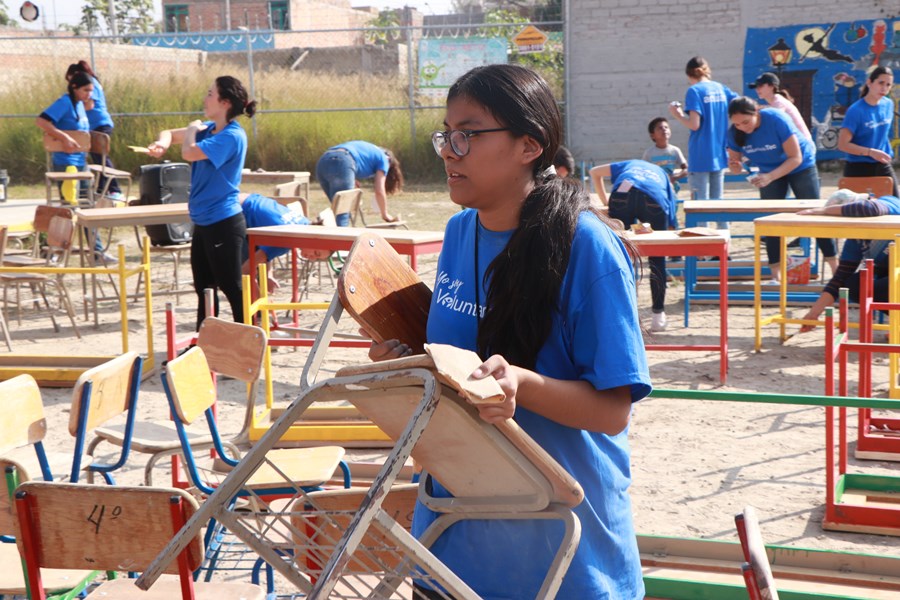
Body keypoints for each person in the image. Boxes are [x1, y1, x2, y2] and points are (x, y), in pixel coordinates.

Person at [370, 64, 651, 598]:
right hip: (450, 541)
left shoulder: (586, 249)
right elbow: (454, 365)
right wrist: (401, 366)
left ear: (529, 145)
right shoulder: (458, 232)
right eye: (445, 135)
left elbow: (613, 411)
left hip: (560, 555)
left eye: (468, 135)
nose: (450, 150)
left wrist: (523, 384)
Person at [147, 75, 256, 329]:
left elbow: (189, 151)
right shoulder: (209, 129)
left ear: (225, 102)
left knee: (231, 287)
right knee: (204, 289)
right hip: (203, 222)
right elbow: (170, 135)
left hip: (224, 223)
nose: (205, 98)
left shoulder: (232, 135)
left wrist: (193, 130)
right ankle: (203, 348)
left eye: (210, 94)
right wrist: (162, 144)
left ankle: (250, 344)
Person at [725, 96, 837, 281]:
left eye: (746, 122)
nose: (743, 127)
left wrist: (770, 177)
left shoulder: (776, 118)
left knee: (816, 214)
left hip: (799, 165)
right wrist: (735, 166)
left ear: (756, 112)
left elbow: (796, 158)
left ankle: (835, 268)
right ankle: (775, 275)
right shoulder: (734, 132)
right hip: (768, 170)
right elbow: (735, 166)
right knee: (770, 220)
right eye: (737, 124)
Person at [591, 159, 678, 332]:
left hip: (623, 192)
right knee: (657, 259)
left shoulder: (628, 165)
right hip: (653, 197)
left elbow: (594, 172)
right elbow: (671, 209)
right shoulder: (662, 176)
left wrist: (606, 202)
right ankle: (658, 316)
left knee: (620, 254)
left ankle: (621, 314)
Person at [797, 189, 900, 333]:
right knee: (854, 284)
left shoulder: (888, 202)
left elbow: (867, 208)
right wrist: (813, 314)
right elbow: (840, 279)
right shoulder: (855, 239)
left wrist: (824, 210)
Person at [36, 71, 110, 261]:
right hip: (66, 164)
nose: (89, 94)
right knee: (68, 208)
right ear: (75, 87)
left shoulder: (80, 105)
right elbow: (42, 121)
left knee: (88, 206)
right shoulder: (64, 102)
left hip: (81, 163)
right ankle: (55, 250)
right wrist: (65, 138)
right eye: (86, 90)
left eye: (92, 91)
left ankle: (97, 252)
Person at [669, 56, 737, 228]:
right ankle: (723, 246)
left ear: (689, 75)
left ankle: (703, 251)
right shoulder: (721, 88)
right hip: (719, 152)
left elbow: (694, 124)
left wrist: (678, 116)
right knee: (718, 203)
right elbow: (739, 104)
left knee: (700, 205)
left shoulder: (694, 91)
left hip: (700, 155)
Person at [65, 60, 123, 200]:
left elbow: (89, 105)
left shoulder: (90, 84)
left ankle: (114, 189)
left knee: (102, 157)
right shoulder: (91, 83)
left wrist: (70, 109)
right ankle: (102, 189)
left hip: (100, 124)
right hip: (94, 125)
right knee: (97, 159)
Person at [837, 65, 897, 197]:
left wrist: (883, 152)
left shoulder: (888, 104)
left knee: (895, 206)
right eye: (881, 83)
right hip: (858, 166)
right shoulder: (855, 111)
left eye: (888, 85)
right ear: (869, 82)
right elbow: (843, 145)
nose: (884, 88)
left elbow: (881, 133)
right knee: (856, 211)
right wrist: (870, 152)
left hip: (882, 163)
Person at [314, 141, 403, 227]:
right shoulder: (384, 159)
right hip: (343, 160)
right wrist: (385, 214)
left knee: (337, 210)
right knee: (342, 213)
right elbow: (379, 190)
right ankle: (342, 240)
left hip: (323, 161)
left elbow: (352, 159)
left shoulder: (371, 151)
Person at [239, 193, 310, 294]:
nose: (311, 258)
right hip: (234, 209)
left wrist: (268, 274)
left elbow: (267, 248)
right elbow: (245, 271)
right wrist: (262, 305)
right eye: (316, 253)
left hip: (249, 199)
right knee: (239, 275)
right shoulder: (286, 241)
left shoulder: (305, 223)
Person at [749, 71, 813, 141]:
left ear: (772, 86)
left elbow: (774, 120)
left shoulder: (778, 101)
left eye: (760, 86)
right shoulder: (776, 101)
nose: (757, 89)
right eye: (756, 87)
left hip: (802, 144)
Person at [642, 116, 688, 192]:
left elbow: (686, 169)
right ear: (652, 135)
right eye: (660, 128)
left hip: (671, 187)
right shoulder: (649, 153)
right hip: (656, 188)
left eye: (666, 127)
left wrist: (674, 177)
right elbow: (643, 171)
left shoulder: (675, 150)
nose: (664, 129)